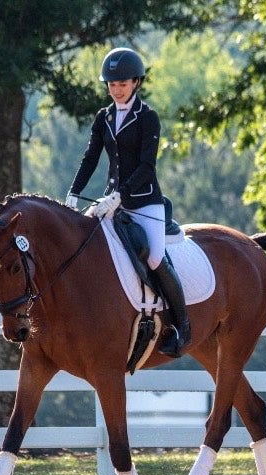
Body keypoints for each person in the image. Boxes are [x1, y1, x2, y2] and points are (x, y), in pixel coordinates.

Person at [65, 47, 190, 358]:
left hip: (145, 201)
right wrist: (73, 192)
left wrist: (120, 195)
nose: (116, 90)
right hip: (110, 201)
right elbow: (91, 157)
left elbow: (147, 165)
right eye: (111, 85)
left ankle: (182, 325)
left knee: (154, 258)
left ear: (136, 82)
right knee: (88, 246)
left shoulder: (148, 117)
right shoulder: (103, 117)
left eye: (122, 84)